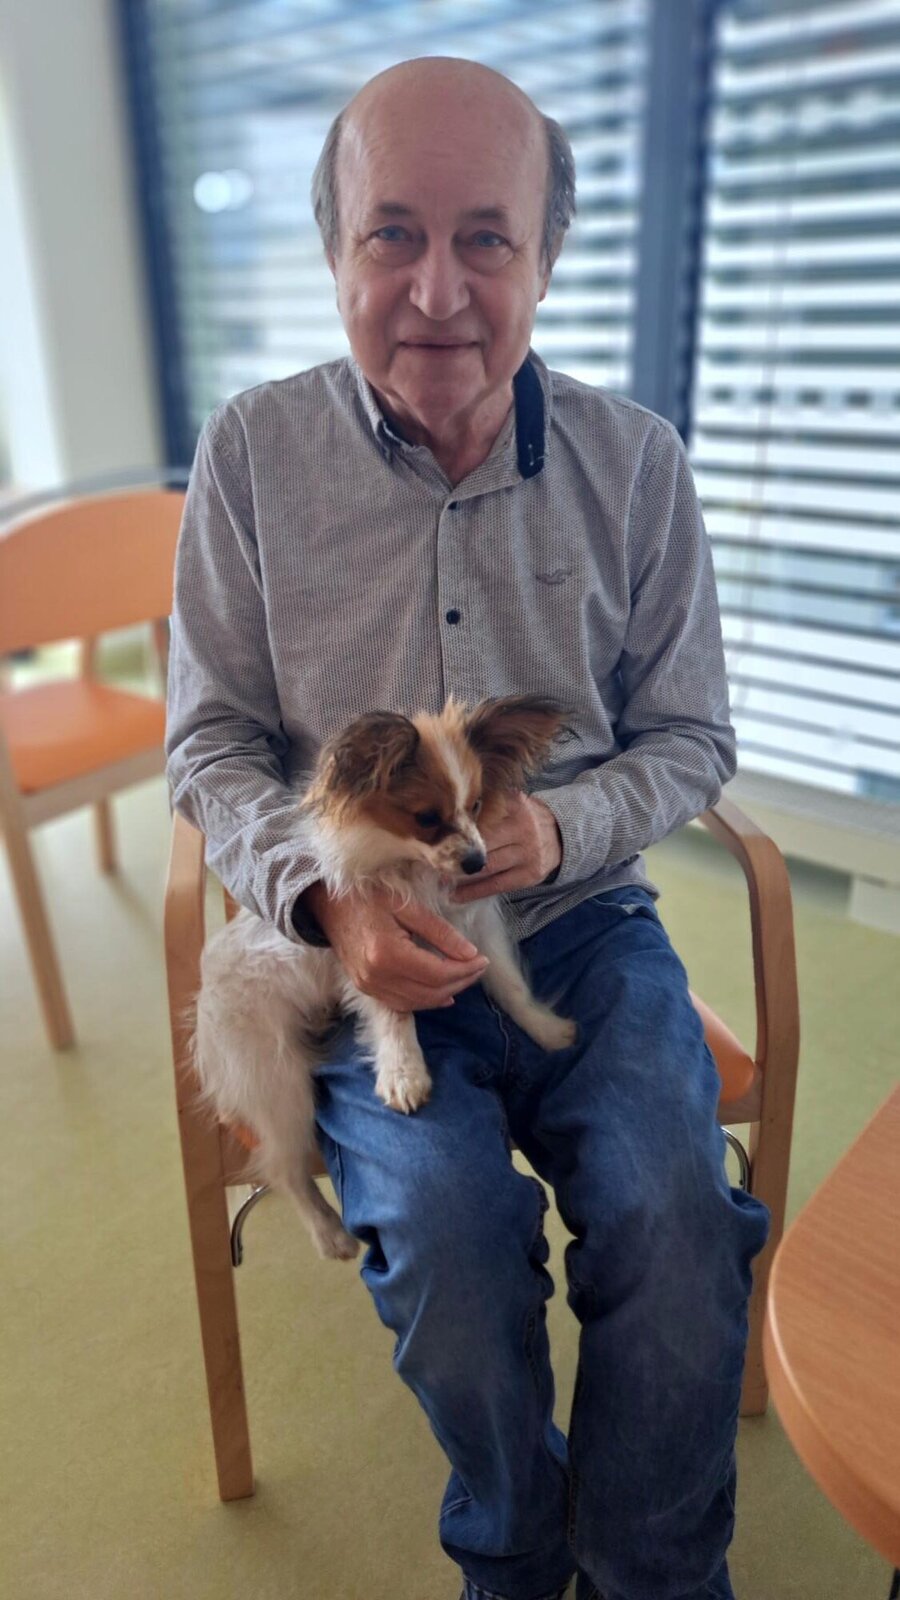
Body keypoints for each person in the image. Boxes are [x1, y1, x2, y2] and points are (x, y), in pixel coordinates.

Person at [166, 56, 769, 1600]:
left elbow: (693, 736)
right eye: (393, 234)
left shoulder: (637, 466)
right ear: (335, 251)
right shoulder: (250, 457)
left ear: (547, 258)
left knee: (675, 1220)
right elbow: (209, 743)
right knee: (443, 1235)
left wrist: (561, 831)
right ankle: (511, 1552)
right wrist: (327, 904)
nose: (438, 291)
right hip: (356, 954)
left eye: (487, 237)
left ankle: (650, 1570)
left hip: (580, 924)